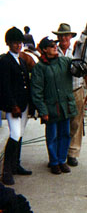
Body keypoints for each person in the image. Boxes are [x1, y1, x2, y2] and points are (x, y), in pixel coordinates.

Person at [31, 36, 78, 174]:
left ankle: (62, 160)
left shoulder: (65, 61)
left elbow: (79, 66)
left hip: (66, 106)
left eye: (55, 45)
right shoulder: (39, 68)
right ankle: (54, 162)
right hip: (51, 108)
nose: (55, 47)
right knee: (52, 136)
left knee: (65, 135)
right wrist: (42, 110)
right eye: (52, 46)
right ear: (44, 49)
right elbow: (36, 91)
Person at [52, 23, 87, 167]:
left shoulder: (77, 51)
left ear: (70, 36)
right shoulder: (52, 51)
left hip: (76, 91)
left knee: (76, 123)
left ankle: (72, 153)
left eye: (66, 35)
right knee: (58, 126)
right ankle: (57, 155)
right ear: (57, 37)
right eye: (61, 35)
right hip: (58, 95)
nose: (63, 37)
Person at [0, 27, 33, 185]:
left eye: (20, 43)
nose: (18, 45)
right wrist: (13, 105)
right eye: (15, 43)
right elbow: (4, 86)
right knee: (14, 135)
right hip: (14, 106)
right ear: (8, 44)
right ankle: (6, 171)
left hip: (24, 104)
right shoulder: (4, 61)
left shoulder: (21, 60)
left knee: (20, 135)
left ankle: (16, 164)